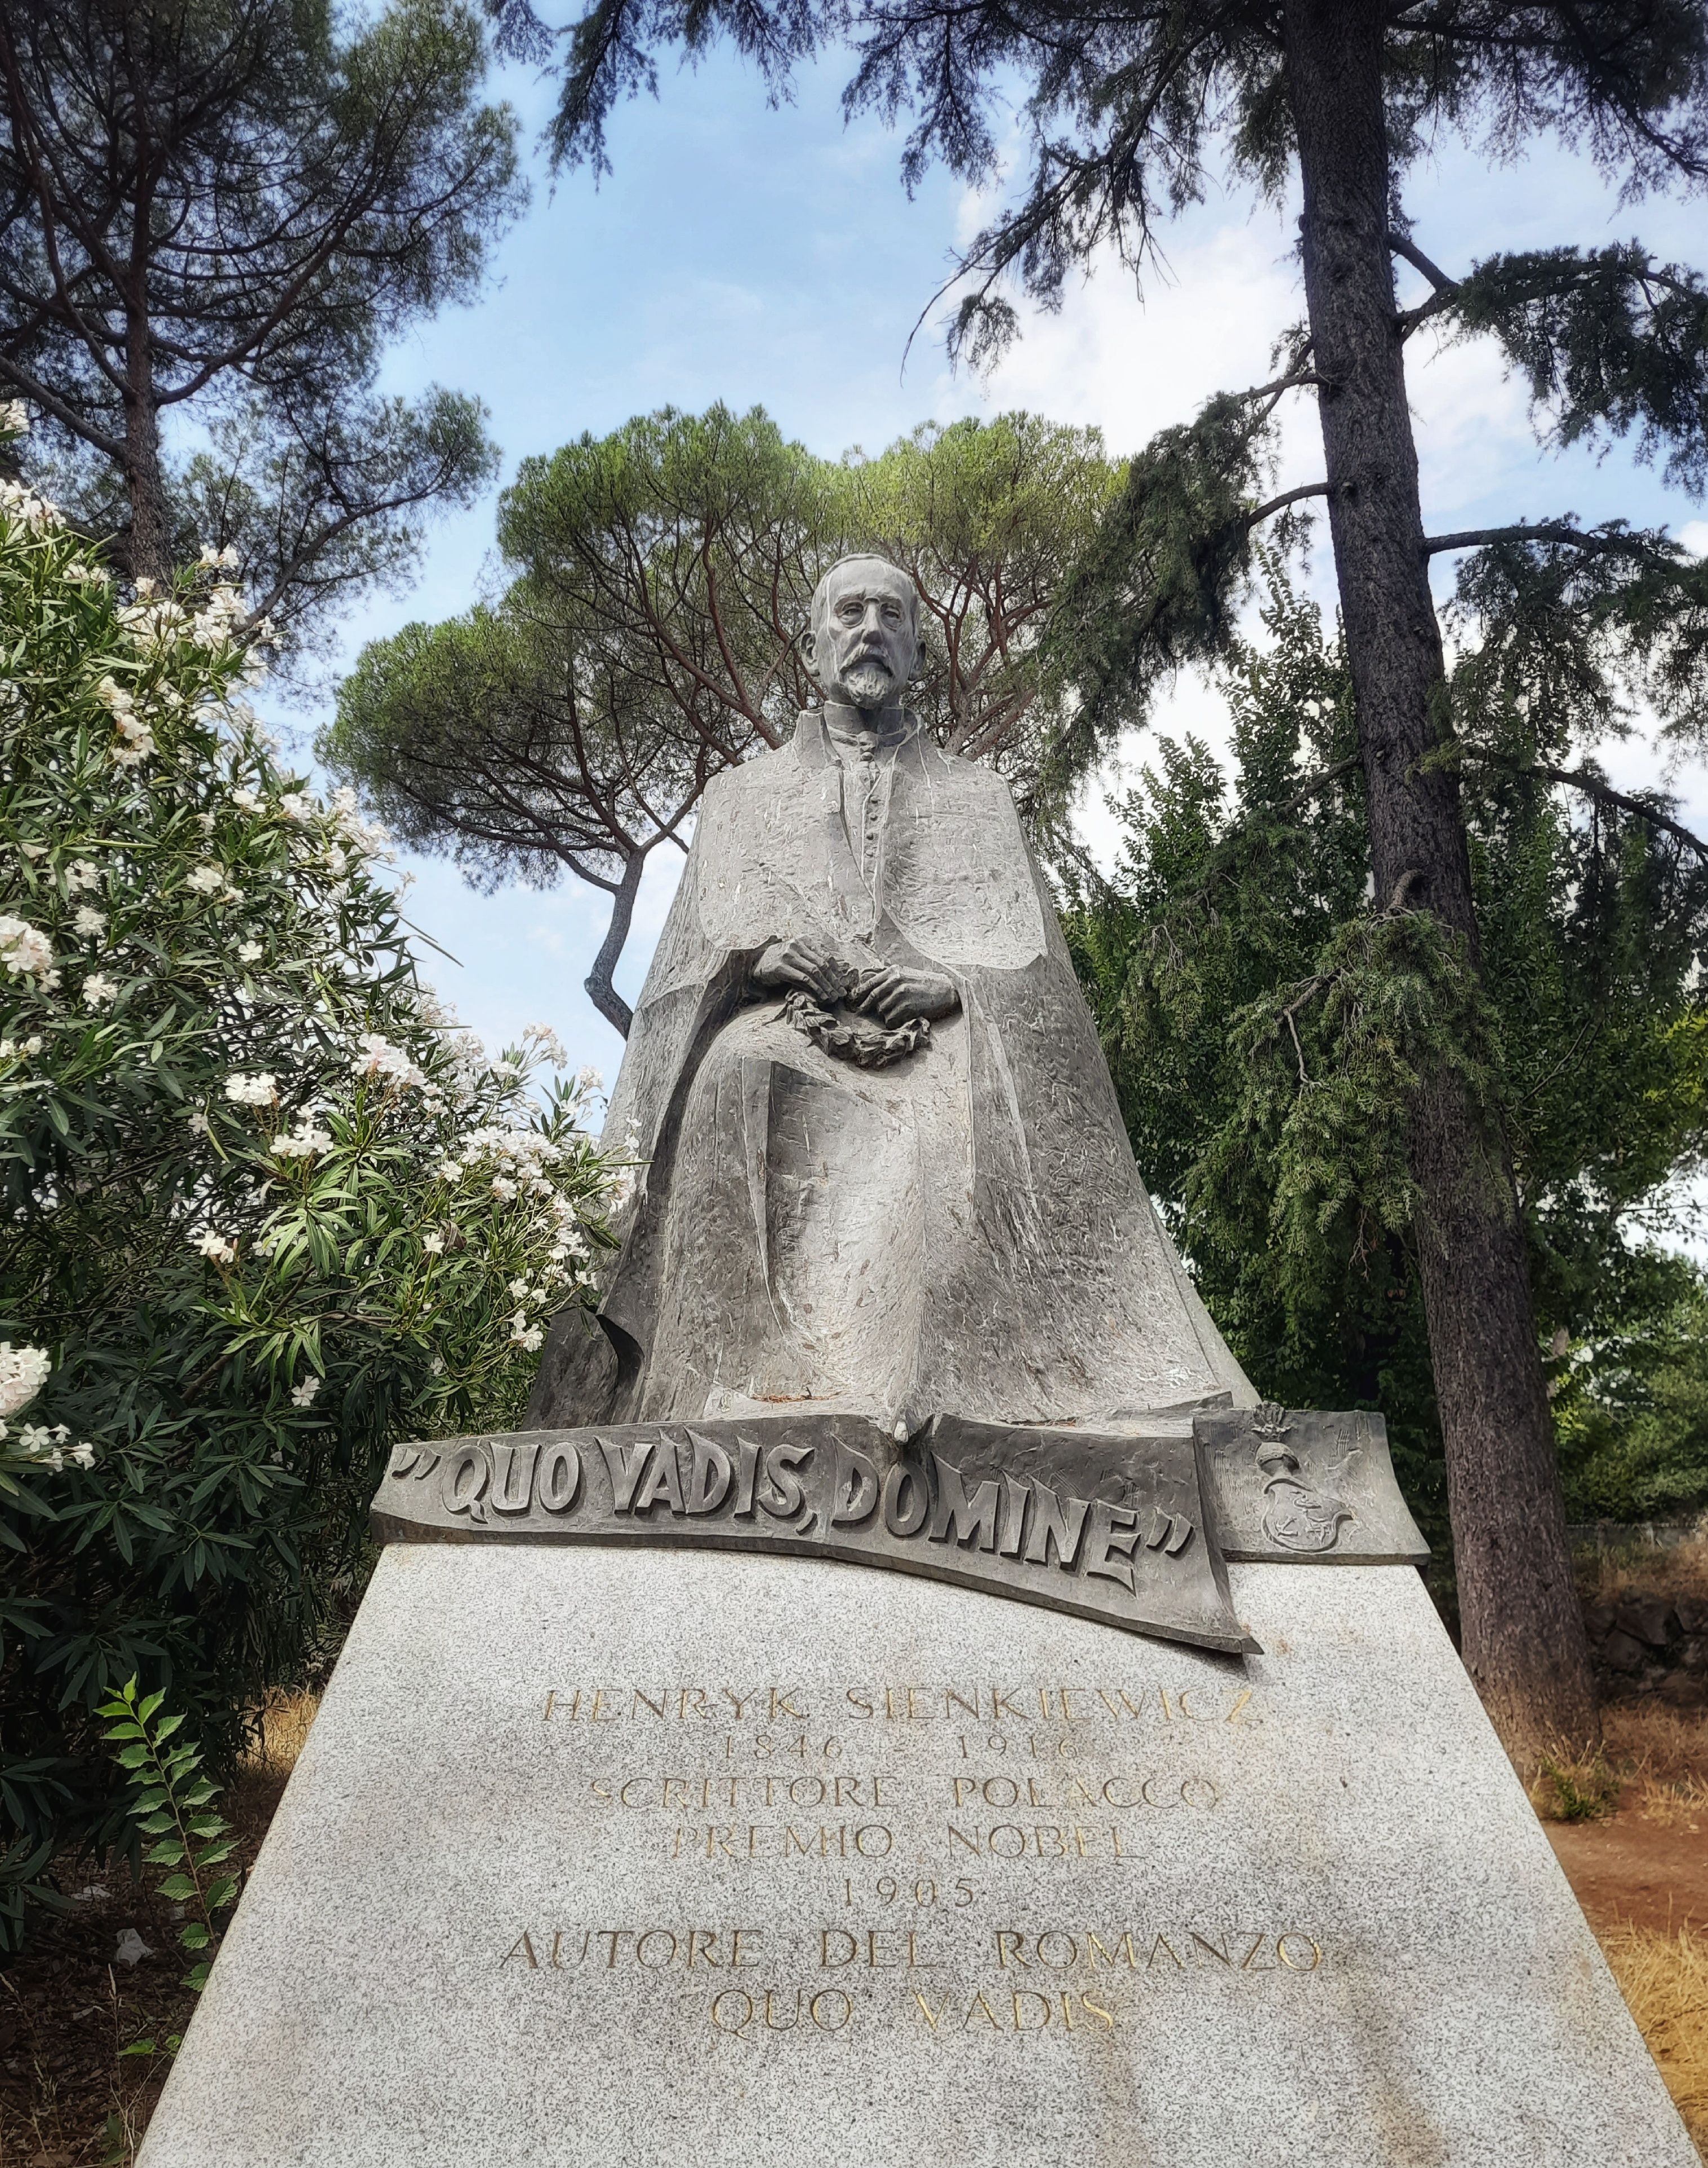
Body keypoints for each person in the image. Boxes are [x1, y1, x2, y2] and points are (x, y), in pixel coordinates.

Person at [527, 553, 1253, 1440]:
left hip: (940, 1040)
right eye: (849, 612)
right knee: (734, 1074)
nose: (870, 629)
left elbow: (1038, 983)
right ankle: (741, 1394)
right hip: (781, 1029)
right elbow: (681, 975)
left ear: (919, 651)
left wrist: (949, 984)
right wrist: (755, 963)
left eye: (891, 615)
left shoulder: (982, 799)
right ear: (812, 643)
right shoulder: (739, 797)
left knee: (956, 1120)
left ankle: (937, 1410)